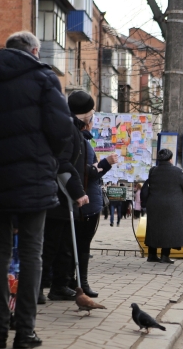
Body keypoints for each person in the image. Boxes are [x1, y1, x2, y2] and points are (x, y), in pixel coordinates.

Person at [0, 31, 73, 348]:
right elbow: (62, 129)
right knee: (31, 254)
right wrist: (46, 157)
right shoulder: (43, 77)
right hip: (33, 179)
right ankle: (25, 331)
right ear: (34, 50)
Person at [40, 90, 91, 303]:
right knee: (51, 245)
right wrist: (78, 192)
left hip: (63, 198)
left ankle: (59, 285)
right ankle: (40, 286)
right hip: (60, 198)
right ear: (87, 115)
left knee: (64, 245)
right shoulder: (69, 130)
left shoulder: (72, 129)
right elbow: (63, 163)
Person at [66, 91, 116, 298]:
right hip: (85, 201)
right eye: (93, 117)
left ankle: (76, 281)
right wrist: (105, 164)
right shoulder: (79, 139)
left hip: (86, 200)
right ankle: (80, 282)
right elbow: (84, 172)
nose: (94, 122)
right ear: (86, 120)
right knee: (81, 244)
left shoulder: (81, 138)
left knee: (78, 243)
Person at [144, 149, 183, 263]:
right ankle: (165, 256)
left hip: (154, 204)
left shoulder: (153, 170)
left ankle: (152, 255)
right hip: (172, 206)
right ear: (170, 159)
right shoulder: (177, 171)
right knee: (169, 229)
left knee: (154, 229)